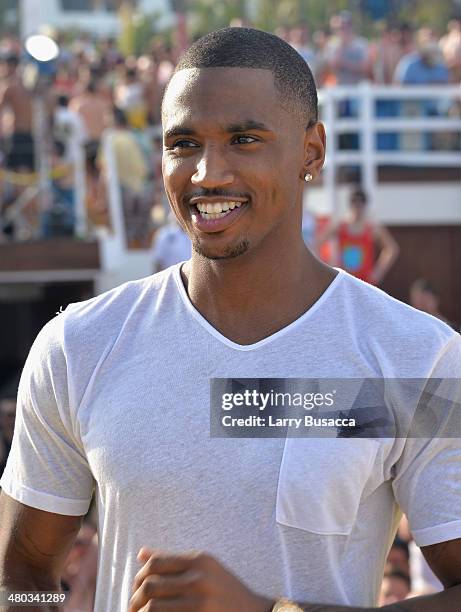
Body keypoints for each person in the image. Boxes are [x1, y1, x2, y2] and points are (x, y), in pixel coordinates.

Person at [1, 27, 461, 612]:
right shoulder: (78, 345)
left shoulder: (417, 357)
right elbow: (21, 575)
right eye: (183, 143)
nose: (207, 173)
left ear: (312, 151)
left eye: (244, 139)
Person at [315, 187, 399, 285]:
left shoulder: (372, 228)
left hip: (365, 281)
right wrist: (329, 267)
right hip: (345, 280)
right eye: (355, 202)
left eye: (361, 203)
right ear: (350, 204)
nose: (357, 207)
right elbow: (318, 242)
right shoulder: (340, 226)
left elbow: (392, 249)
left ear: (365, 205)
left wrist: (378, 271)